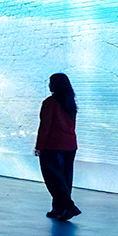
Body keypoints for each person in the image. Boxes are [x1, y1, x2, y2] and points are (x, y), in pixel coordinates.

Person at [36, 73, 81, 220]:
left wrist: (39, 146)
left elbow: (45, 126)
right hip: (70, 144)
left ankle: (68, 206)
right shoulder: (70, 103)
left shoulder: (50, 102)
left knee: (53, 179)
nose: (49, 85)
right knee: (65, 178)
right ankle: (58, 209)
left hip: (52, 145)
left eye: (51, 82)